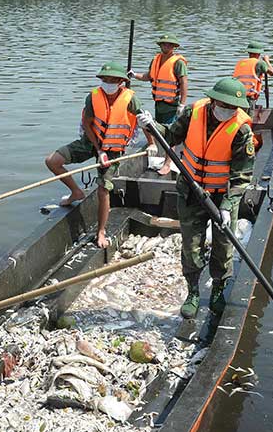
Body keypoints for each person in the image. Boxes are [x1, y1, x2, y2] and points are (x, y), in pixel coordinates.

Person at [137, 77, 255, 318]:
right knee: (191, 246)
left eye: (233, 108)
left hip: (223, 196)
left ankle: (217, 291)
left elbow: (242, 175)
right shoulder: (193, 113)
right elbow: (170, 136)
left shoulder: (241, 129)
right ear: (213, 101)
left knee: (223, 247)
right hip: (191, 192)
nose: (228, 111)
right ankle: (192, 291)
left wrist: (228, 204)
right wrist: (151, 126)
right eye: (224, 105)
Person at [45, 61, 154, 249]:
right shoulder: (93, 97)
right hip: (92, 142)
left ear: (120, 81)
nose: (108, 83)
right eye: (105, 79)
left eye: (112, 80)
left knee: (103, 189)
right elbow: (87, 123)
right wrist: (98, 149)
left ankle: (101, 231)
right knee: (53, 161)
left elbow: (143, 122)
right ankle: (75, 192)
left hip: (114, 149)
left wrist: (151, 144)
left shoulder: (130, 99)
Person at [128, 34, 188, 176]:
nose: (166, 47)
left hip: (172, 104)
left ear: (174, 47)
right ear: (160, 46)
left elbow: (184, 83)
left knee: (170, 134)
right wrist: (134, 75)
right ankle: (152, 144)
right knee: (146, 122)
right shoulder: (156, 59)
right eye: (164, 44)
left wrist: (182, 104)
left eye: (169, 45)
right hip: (159, 103)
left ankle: (168, 163)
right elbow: (149, 76)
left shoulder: (178, 63)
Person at [232, 40, 273, 111]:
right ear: (259, 53)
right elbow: (272, 72)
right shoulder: (260, 63)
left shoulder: (240, 63)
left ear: (249, 52)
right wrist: (267, 60)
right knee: (248, 119)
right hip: (249, 98)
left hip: (235, 96)